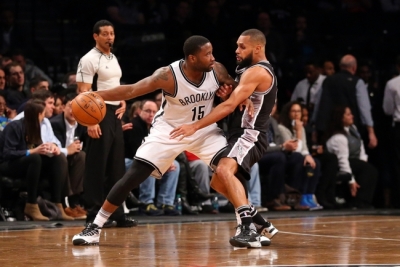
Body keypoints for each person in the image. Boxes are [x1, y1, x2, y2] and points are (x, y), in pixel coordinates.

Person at [72, 35, 238, 246]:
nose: (213, 58)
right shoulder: (168, 75)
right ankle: (94, 227)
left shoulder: (217, 70)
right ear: (192, 58)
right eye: (207, 54)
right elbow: (131, 89)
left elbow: (235, 89)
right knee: (132, 177)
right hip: (169, 130)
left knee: (232, 168)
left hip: (202, 128)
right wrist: (96, 95)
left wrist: (228, 94)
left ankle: (248, 224)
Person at [170, 29, 279, 247]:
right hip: (238, 134)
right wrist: (229, 95)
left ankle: (247, 228)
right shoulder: (248, 70)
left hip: (250, 135)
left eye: (242, 46)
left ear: (258, 48)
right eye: (237, 45)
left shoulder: (258, 71)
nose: (237, 50)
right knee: (219, 182)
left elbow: (230, 107)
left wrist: (195, 126)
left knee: (223, 171)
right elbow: (235, 101)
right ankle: (259, 221)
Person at [75, 20, 135, 227]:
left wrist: (123, 99)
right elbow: (83, 92)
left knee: (116, 166)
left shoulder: (113, 57)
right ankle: (93, 215)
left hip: (114, 113)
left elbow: (114, 84)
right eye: (105, 34)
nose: (110, 37)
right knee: (96, 167)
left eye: (112, 33)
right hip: (97, 112)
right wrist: (90, 122)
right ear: (95, 36)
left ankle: (117, 214)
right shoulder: (88, 59)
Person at [0, 99, 70, 221]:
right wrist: (32, 151)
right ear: (38, 114)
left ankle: (57, 204)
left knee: (57, 159)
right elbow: (7, 153)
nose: (44, 117)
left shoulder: (35, 127)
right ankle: (31, 205)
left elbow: (37, 148)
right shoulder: (14, 127)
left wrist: (50, 148)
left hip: (27, 162)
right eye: (43, 114)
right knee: (35, 158)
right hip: (7, 164)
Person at [326, 106, 378, 208]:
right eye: (348, 114)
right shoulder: (338, 137)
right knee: (368, 170)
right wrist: (351, 181)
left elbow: (361, 149)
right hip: (340, 165)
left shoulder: (353, 129)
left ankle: (363, 201)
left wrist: (363, 164)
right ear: (341, 118)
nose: (352, 116)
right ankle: (359, 202)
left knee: (369, 170)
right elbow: (343, 161)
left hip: (354, 162)